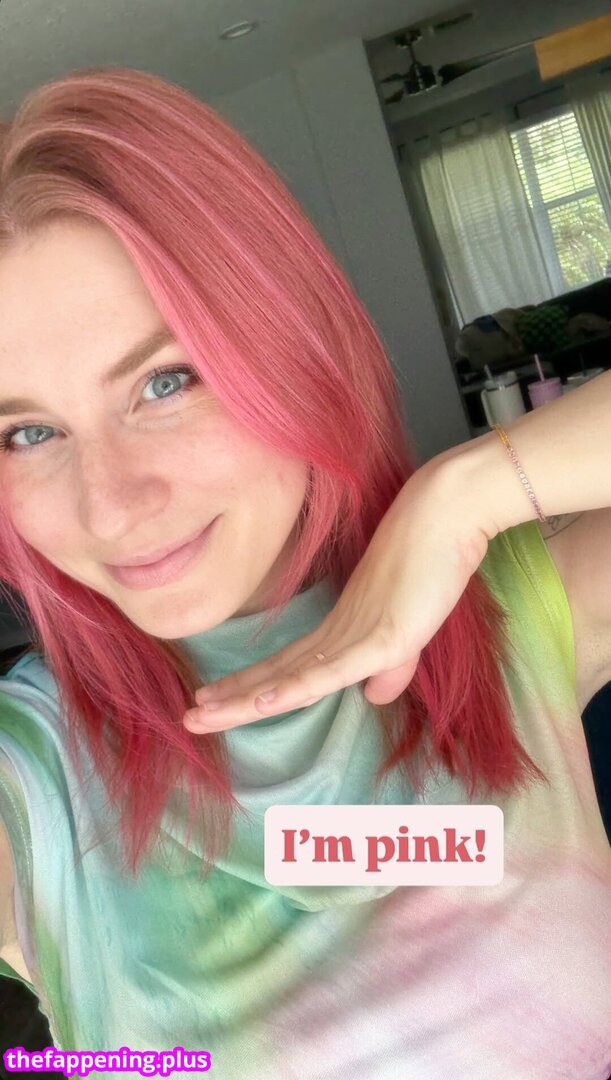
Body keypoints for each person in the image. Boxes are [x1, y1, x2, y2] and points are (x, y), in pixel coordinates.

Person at [0, 67, 609, 1080]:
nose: (109, 505)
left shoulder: (505, 610)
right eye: (27, 432)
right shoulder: (36, 774)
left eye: (165, 381)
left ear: (294, 343)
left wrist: (461, 495)